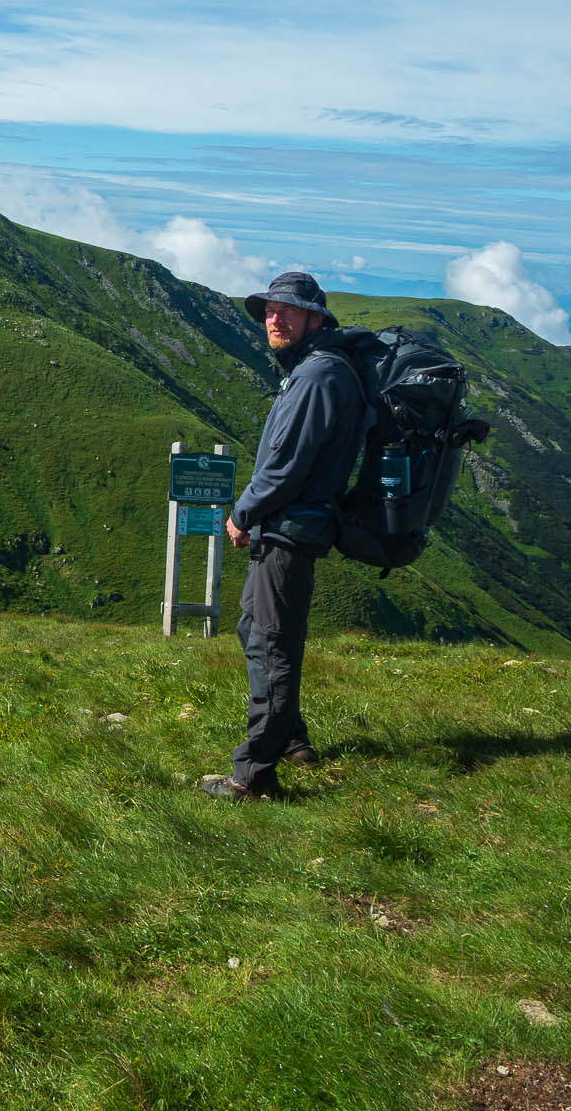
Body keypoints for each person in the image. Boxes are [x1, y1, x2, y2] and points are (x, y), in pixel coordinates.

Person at [203, 272, 364, 802]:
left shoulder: (317, 376)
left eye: (289, 311)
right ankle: (292, 738)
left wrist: (243, 514)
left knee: (272, 645)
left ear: (316, 319)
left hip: (289, 530)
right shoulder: (313, 371)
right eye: (271, 310)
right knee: (256, 630)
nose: (275, 318)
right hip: (288, 527)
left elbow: (284, 466)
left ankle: (253, 775)